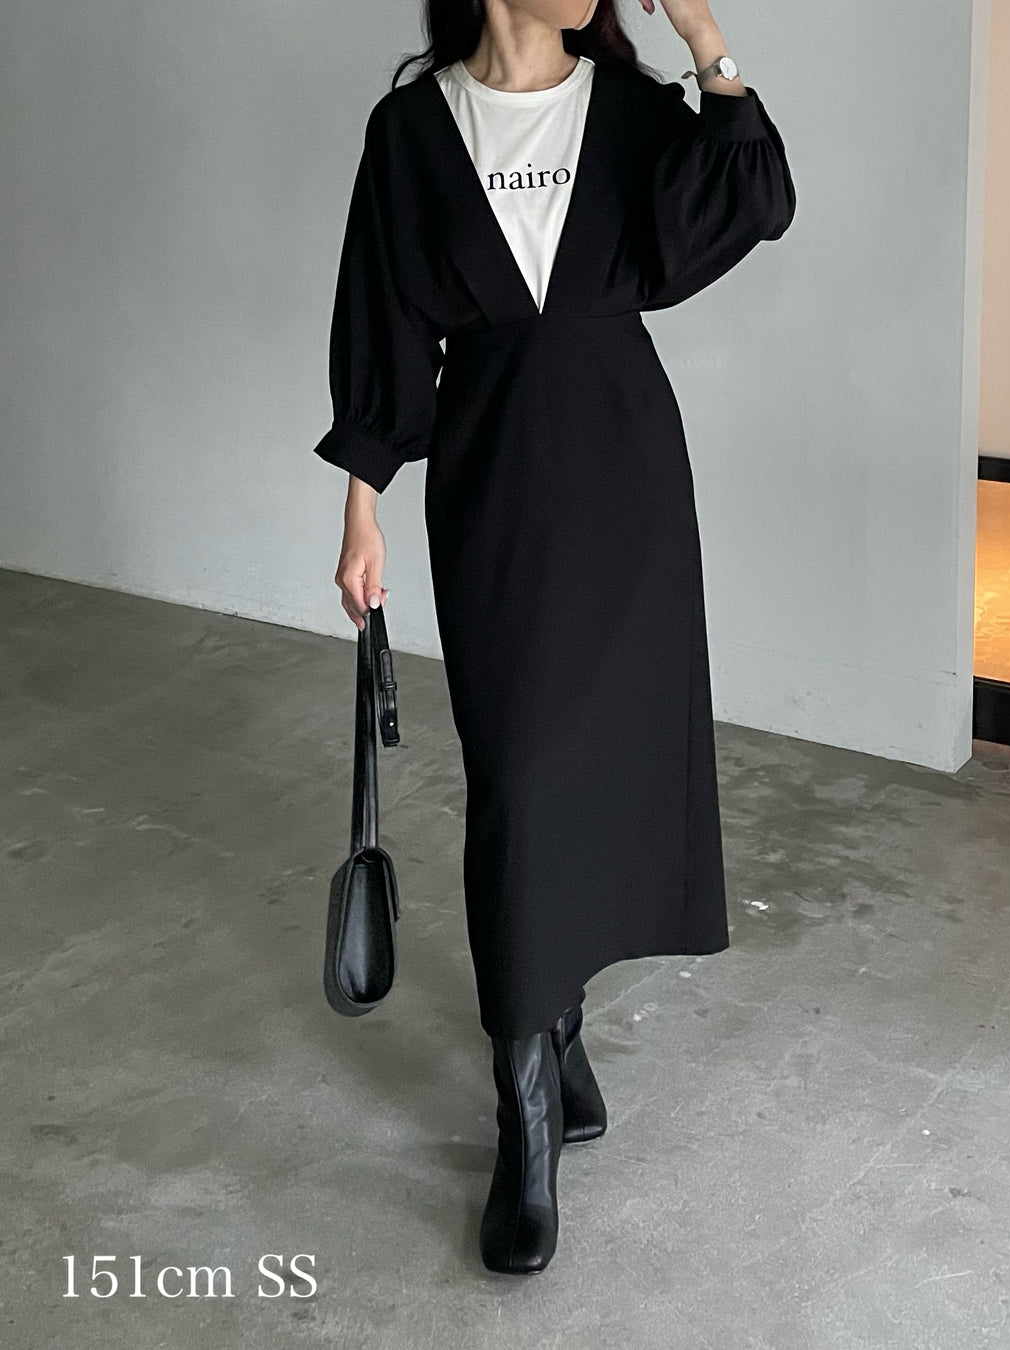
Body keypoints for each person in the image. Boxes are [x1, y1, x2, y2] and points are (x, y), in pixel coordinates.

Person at [312, 0, 796, 1275]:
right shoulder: (412, 130)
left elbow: (754, 196)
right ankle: (527, 1105)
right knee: (518, 784)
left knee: (592, 776)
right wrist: (361, 510)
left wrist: (704, 34)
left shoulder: (628, 109)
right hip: (496, 483)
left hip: (626, 480)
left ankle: (551, 1055)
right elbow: (382, 323)